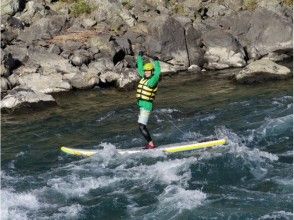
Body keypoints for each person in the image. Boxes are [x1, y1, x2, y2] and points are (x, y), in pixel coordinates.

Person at [136, 51, 161, 149]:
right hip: (142, 105)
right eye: (145, 70)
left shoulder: (152, 81)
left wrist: (156, 62)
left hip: (146, 106)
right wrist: (140, 57)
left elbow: (158, 73)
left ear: (151, 71)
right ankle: (150, 143)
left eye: (148, 71)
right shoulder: (144, 77)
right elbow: (140, 68)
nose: (146, 72)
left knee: (141, 126)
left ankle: (151, 144)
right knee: (141, 126)